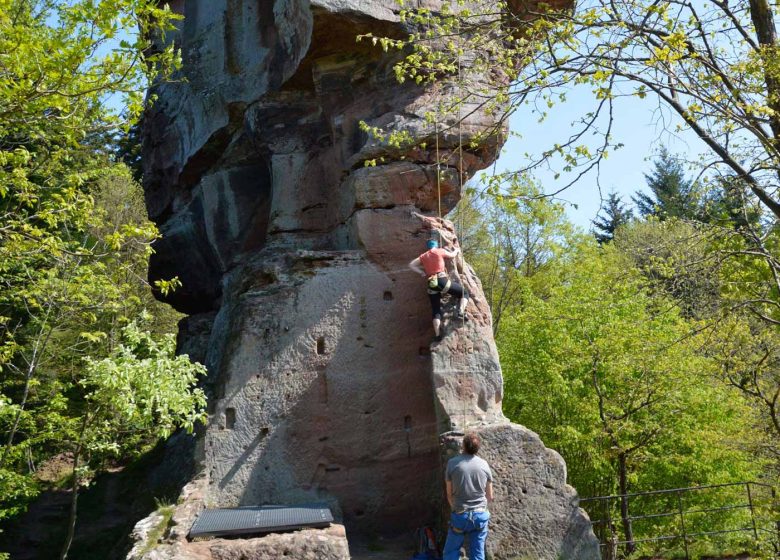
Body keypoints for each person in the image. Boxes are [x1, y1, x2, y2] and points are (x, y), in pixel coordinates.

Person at [443, 432, 493, 560]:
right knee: (478, 553)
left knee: (450, 552)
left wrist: (455, 508)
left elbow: (449, 493)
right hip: (480, 515)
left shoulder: (452, 463)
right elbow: (490, 496)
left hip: (461, 514)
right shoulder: (484, 464)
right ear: (477, 448)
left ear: (463, 446)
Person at [408, 238, 468, 342]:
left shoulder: (424, 255)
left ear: (428, 246)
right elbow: (452, 255)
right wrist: (457, 250)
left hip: (431, 283)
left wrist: (421, 272)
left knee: (436, 309)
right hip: (441, 280)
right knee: (464, 293)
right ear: (436, 245)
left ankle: (437, 335)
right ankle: (461, 312)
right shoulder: (439, 251)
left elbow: (411, 265)